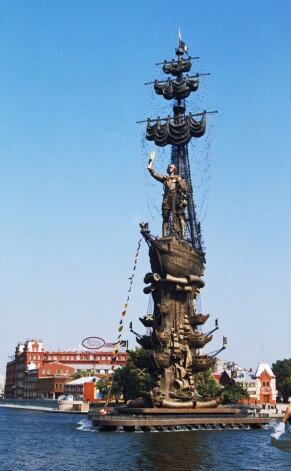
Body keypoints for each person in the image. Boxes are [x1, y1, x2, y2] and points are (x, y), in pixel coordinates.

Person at [148, 162, 188, 239]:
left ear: (174, 169)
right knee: (165, 218)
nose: (169, 167)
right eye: (168, 166)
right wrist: (151, 170)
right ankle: (164, 236)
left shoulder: (177, 178)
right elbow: (156, 175)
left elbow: (184, 189)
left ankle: (183, 236)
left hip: (175, 200)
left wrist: (179, 181)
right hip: (166, 199)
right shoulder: (165, 179)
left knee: (180, 217)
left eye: (171, 167)